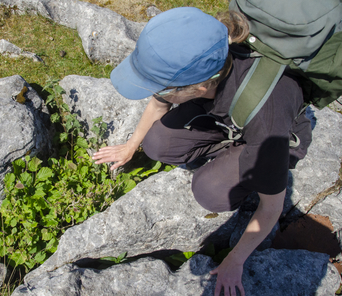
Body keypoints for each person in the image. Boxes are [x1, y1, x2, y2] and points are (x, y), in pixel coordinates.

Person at [92, 7, 312, 296]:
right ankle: (230, 148)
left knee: (210, 191)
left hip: (266, 134)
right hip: (229, 118)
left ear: (199, 86)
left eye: (162, 87)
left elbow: (271, 207)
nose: (153, 93)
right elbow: (161, 102)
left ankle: (238, 158)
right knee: (157, 142)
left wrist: (235, 260)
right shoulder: (201, 61)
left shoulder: (267, 116)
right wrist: (131, 146)